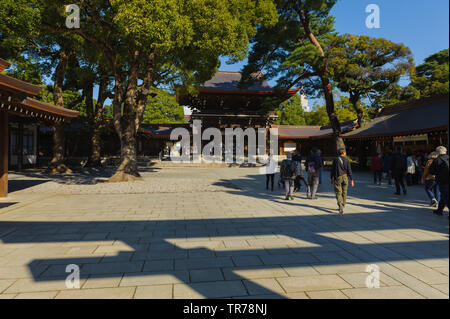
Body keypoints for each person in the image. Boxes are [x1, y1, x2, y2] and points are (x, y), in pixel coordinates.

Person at [330, 148, 355, 214]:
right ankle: (343, 205)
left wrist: (331, 178)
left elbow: (332, 169)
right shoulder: (347, 160)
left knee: (338, 191)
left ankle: (340, 204)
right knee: (344, 191)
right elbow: (349, 170)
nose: (346, 153)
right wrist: (351, 179)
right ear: (343, 153)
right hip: (345, 177)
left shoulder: (335, 159)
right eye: (345, 152)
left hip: (338, 177)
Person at [429, 146, 449, 216]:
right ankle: (439, 210)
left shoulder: (437, 160)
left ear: (437, 152)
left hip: (442, 181)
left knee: (446, 196)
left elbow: (431, 171)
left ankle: (439, 210)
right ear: (445, 151)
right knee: (444, 196)